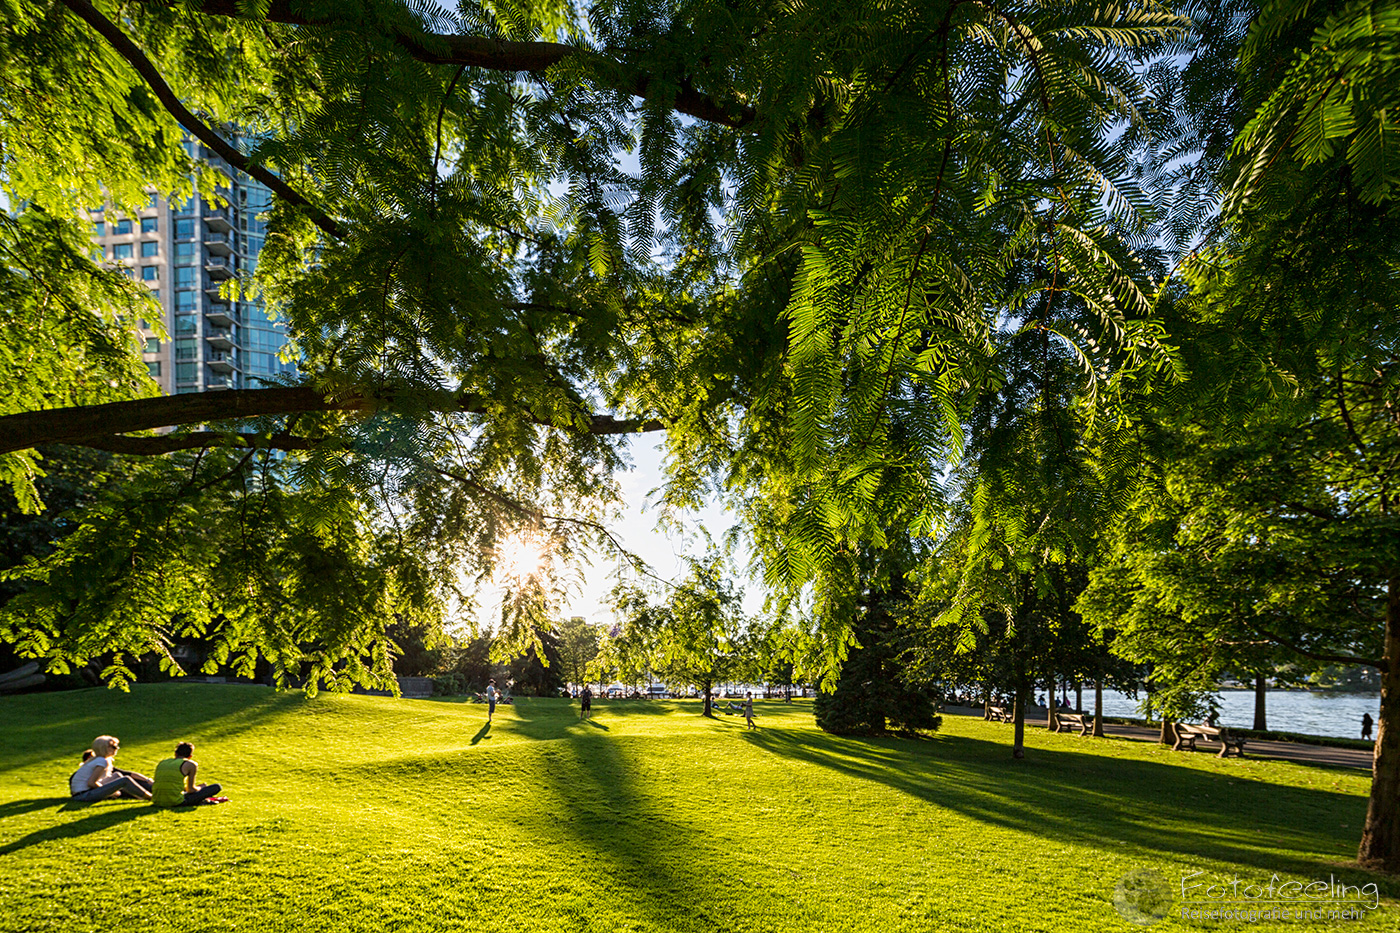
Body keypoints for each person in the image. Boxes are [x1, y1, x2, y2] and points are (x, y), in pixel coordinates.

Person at [69, 736, 152, 803]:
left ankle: (139, 797)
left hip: (83, 793)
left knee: (117, 775)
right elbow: (91, 783)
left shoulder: (96, 759)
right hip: (83, 795)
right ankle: (150, 797)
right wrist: (110, 792)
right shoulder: (101, 761)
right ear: (104, 748)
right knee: (125, 780)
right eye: (113, 746)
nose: (117, 748)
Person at [152, 742, 225, 807]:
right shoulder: (190, 764)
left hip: (157, 801)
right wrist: (200, 787)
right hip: (176, 802)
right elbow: (191, 790)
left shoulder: (163, 762)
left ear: (175, 753)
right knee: (216, 787)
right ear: (190, 756)